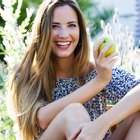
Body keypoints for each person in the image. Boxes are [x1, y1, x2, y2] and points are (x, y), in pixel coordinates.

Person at [8, 0, 140, 140]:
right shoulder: (27, 74)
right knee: (73, 112)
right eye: (55, 26)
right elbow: (42, 119)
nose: (64, 34)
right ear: (42, 31)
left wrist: (102, 123)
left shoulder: (96, 71)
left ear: (80, 31)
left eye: (71, 25)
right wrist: (99, 82)